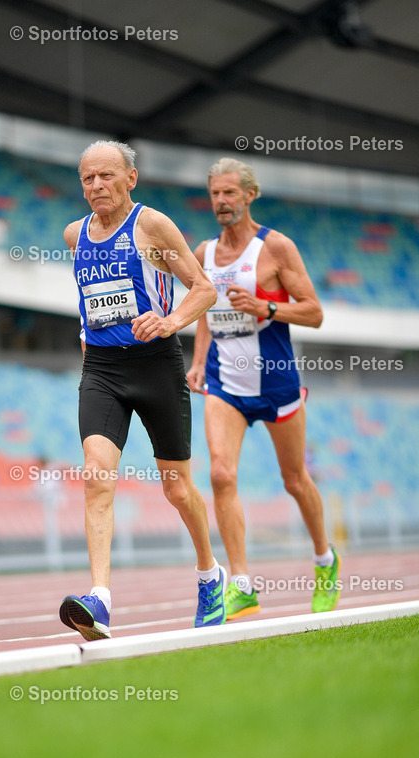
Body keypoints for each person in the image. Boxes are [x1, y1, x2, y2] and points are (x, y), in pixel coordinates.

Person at [59, 140, 226, 641]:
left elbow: (204, 288)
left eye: (107, 176)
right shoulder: (74, 235)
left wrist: (170, 320)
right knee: (96, 478)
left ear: (131, 178)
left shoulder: (151, 226)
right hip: (103, 371)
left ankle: (208, 574)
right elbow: (89, 295)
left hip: (156, 366)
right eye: (88, 178)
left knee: (176, 487)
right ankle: (100, 600)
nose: (97, 186)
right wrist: (88, 334)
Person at [187, 157, 341, 620]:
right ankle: (241, 584)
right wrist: (197, 362)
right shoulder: (204, 254)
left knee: (294, 480)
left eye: (230, 193)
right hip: (224, 383)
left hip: (276, 380)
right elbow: (204, 310)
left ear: (250, 195)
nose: (221, 202)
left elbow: (314, 312)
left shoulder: (277, 248)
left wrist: (266, 309)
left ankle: (325, 560)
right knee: (220, 475)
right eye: (215, 193)